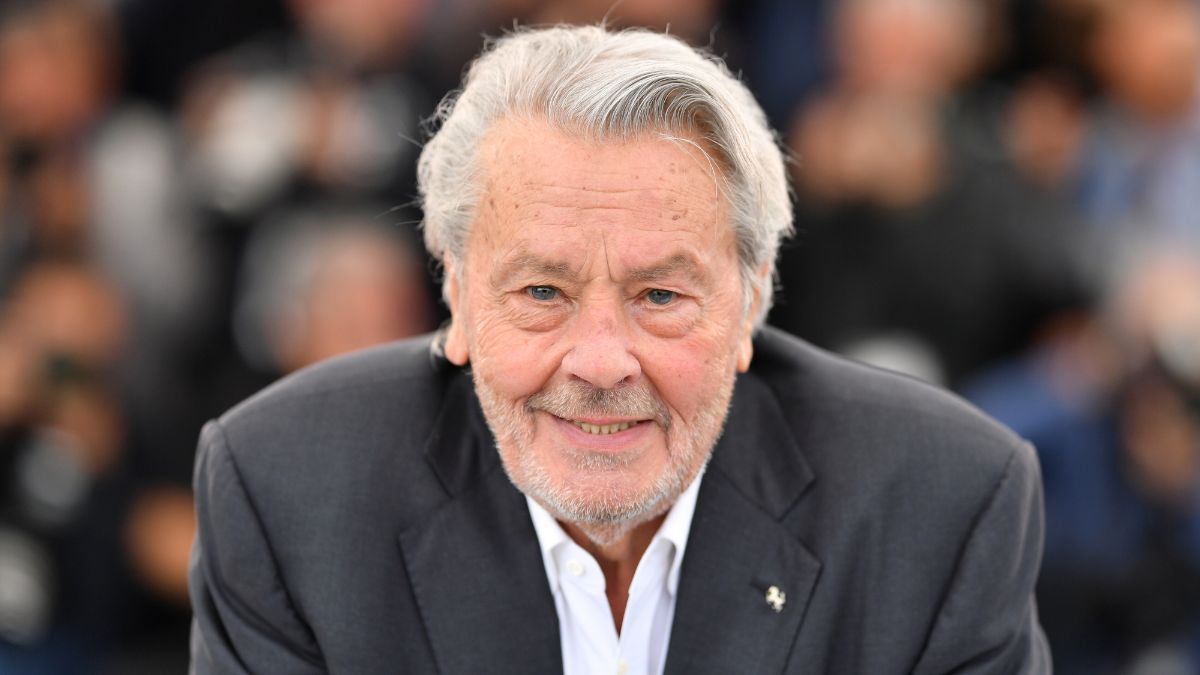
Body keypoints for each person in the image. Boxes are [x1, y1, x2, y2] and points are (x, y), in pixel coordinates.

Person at [189, 25, 1050, 674]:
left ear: (750, 300)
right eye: (540, 293)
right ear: (454, 292)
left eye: (661, 296)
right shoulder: (286, 490)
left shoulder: (944, 504)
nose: (601, 362)